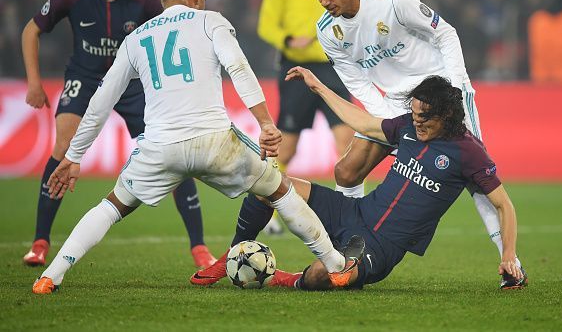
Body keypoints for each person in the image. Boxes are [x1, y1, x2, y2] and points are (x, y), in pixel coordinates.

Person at [31, 0, 363, 294]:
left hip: (161, 147)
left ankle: (51, 276)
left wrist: (74, 156)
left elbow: (101, 100)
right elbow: (238, 67)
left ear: (164, 0)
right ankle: (336, 266)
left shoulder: (136, 38)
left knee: (112, 206)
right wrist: (264, 123)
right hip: (216, 142)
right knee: (278, 191)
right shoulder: (211, 22)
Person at [304, 0, 526, 287]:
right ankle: (347, 246)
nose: (324, 2)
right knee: (346, 170)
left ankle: (510, 263)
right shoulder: (327, 31)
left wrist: (452, 92)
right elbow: (358, 82)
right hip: (395, 103)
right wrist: (392, 118)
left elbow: (445, 33)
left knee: (474, 177)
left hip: (440, 92)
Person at [193, 70, 527, 290]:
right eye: (413, 114)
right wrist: (319, 88)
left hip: (380, 247)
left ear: (448, 115)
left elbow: (503, 204)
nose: (417, 122)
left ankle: (289, 280)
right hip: (353, 213)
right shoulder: (408, 127)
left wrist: (508, 255)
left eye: (424, 117)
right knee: (267, 184)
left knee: (328, 275)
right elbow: (365, 123)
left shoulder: (468, 152)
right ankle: (230, 255)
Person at [21, 0, 215, 269]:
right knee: (64, 146)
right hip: (85, 78)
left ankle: (199, 248)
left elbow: (173, 29)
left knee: (172, 151)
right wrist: (35, 83)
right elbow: (30, 30)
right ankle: (39, 243)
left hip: (130, 85)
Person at [257, 0, 353, 234]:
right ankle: (269, 212)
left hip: (333, 69)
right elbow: (266, 25)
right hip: (296, 72)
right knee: (287, 149)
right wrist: (287, 40)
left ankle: (348, 213)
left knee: (347, 141)